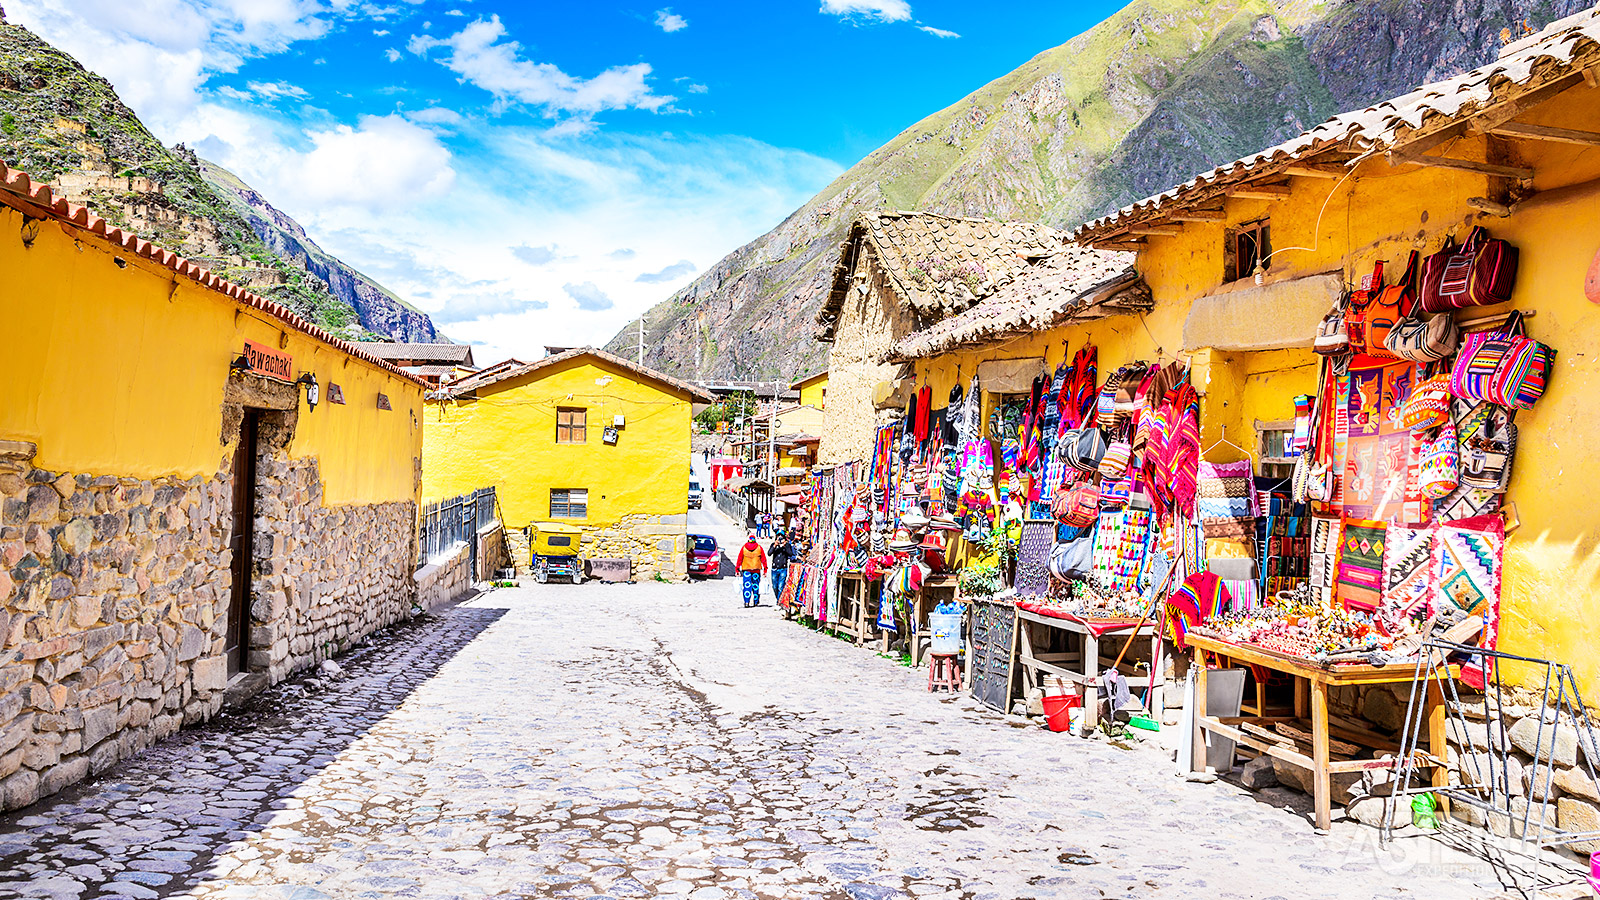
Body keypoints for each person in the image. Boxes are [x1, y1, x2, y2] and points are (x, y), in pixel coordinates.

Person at [736, 532, 767, 608]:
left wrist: (737, 569)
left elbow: (740, 558)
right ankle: (755, 601)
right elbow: (763, 559)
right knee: (755, 586)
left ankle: (746, 602)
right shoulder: (759, 548)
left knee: (747, 586)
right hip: (756, 569)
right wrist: (765, 569)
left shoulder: (744, 548)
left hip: (746, 570)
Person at [769, 530, 793, 604]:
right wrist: (775, 546)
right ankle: (779, 599)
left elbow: (790, 554)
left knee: (780, 586)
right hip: (774, 568)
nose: (780, 539)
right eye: (778, 537)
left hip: (783, 568)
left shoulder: (787, 545)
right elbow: (769, 553)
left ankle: (779, 602)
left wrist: (785, 546)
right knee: (775, 586)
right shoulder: (773, 544)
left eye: (781, 537)